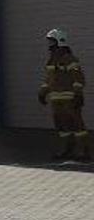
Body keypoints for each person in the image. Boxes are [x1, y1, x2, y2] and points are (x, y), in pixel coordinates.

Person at [40, 29, 88, 161]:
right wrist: (43, 92)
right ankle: (67, 149)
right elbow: (49, 79)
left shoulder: (69, 59)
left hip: (69, 97)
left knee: (77, 124)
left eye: (51, 41)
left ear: (59, 41)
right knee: (61, 124)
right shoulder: (51, 60)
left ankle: (84, 151)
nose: (49, 44)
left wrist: (78, 94)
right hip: (56, 98)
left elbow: (78, 77)